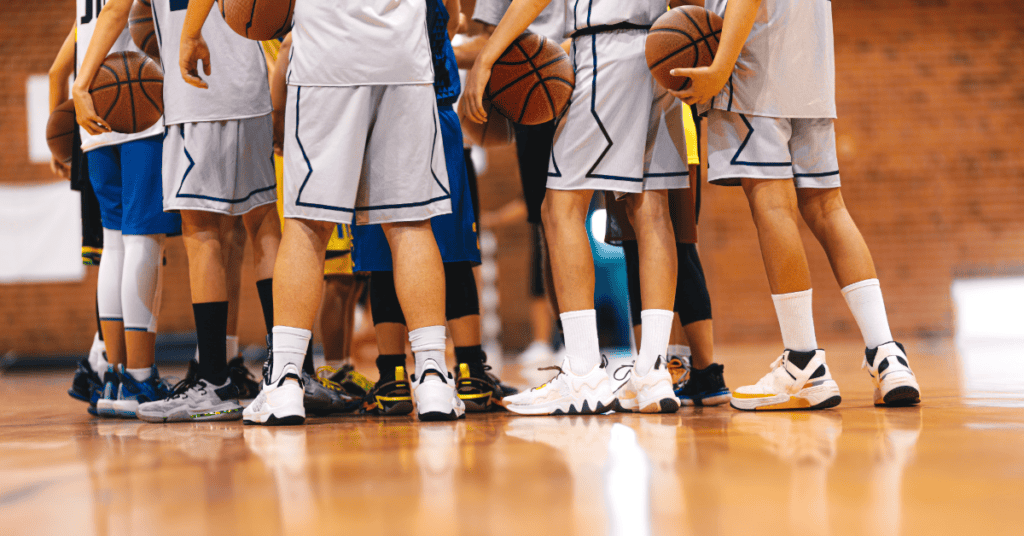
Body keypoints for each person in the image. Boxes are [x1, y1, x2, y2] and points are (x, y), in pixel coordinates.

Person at [181, 0, 463, 424]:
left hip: (329, 54)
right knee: (410, 224)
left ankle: (286, 384)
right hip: (404, 55)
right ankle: (434, 378)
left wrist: (190, 31)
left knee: (307, 226)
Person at [670, 0, 921, 409]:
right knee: (828, 207)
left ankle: (803, 364)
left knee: (772, 205)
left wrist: (718, 69)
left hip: (753, 68)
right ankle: (887, 355)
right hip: (810, 68)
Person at [463, 0, 687, 415]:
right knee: (651, 208)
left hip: (607, 49)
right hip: (662, 46)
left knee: (559, 207)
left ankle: (583, 374)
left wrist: (488, 55)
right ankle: (652, 372)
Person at [73, 0, 282, 422]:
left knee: (199, 230)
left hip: (196, 90)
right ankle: (288, 369)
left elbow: (116, 8)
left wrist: (80, 83)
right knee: (263, 222)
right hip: (249, 79)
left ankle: (214, 381)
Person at [350, 0, 516, 416]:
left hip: (369, 113)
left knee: (384, 256)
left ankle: (391, 378)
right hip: (431, 108)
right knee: (452, 252)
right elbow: (459, 16)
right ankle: (471, 371)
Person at [65, 2, 184, 419]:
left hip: (95, 104)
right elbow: (119, 7)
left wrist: (80, 87)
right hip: (136, 94)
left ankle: (115, 378)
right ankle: (140, 375)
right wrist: (81, 85)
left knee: (115, 242)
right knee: (142, 237)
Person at [459, 0, 567, 366]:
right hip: (559, 85)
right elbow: (492, 42)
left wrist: (429, 49)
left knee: (557, 221)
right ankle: (571, 344)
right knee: (552, 222)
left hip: (554, 80)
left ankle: (578, 347)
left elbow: (490, 45)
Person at [605, 105, 730, 406]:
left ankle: (656, 369)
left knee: (643, 251)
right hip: (673, 136)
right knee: (679, 248)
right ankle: (700, 372)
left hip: (642, 133)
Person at [48, 23, 109, 416]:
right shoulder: (114, 13)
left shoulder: (82, 19)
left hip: (83, 142)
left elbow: (57, 72)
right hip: (115, 128)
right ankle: (104, 363)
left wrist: (55, 142)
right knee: (130, 250)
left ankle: (99, 358)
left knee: (109, 257)